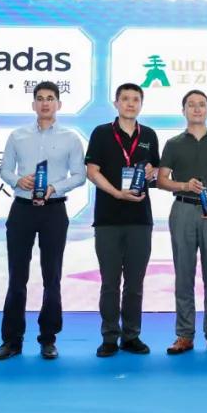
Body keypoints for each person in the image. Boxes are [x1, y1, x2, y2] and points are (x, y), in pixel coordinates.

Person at [0, 81, 85, 361]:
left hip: (54, 210)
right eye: (40, 98)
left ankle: (48, 338)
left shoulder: (71, 138)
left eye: (50, 98)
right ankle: (12, 340)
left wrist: (55, 187)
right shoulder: (17, 136)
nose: (45, 103)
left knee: (52, 276)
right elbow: (4, 170)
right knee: (16, 276)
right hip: (22, 209)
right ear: (33, 104)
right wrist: (17, 180)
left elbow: (80, 175)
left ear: (59, 104)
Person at [157, 89, 207, 355]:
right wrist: (184, 185)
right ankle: (184, 335)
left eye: (202, 104)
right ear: (183, 111)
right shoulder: (173, 143)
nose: (197, 108)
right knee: (184, 275)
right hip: (183, 210)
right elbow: (161, 180)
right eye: (191, 104)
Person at [85, 83, 161, 357]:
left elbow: (156, 172)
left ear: (141, 104)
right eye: (125, 99)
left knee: (135, 283)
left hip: (140, 219)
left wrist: (152, 172)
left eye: (135, 99)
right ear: (116, 103)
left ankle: (131, 335)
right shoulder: (101, 133)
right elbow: (92, 171)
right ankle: (109, 337)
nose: (130, 103)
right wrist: (117, 193)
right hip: (108, 218)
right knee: (109, 282)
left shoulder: (149, 135)